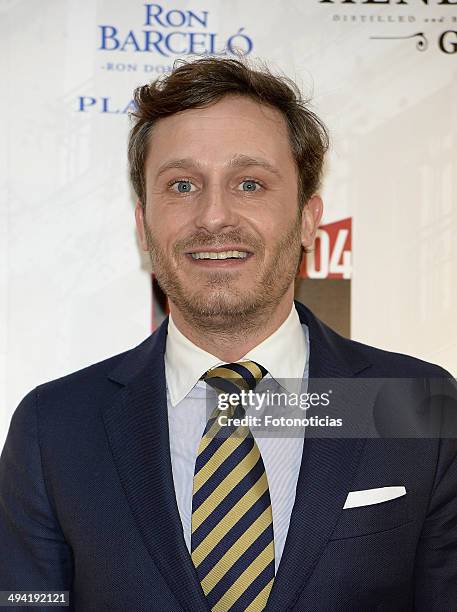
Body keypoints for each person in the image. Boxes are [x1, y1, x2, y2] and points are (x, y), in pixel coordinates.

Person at [0, 57, 456, 612]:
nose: (214, 216)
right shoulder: (55, 427)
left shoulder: (413, 404)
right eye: (183, 184)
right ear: (144, 225)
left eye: (249, 183)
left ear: (310, 218)